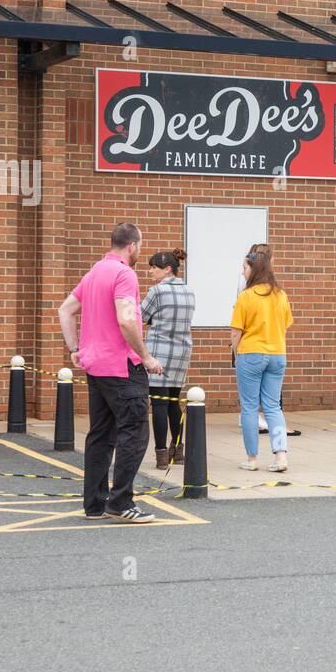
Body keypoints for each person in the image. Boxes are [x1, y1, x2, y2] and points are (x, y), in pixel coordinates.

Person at [58, 222, 163, 523]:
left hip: (96, 367)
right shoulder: (124, 274)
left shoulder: (94, 272)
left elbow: (65, 310)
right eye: (140, 247)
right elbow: (127, 320)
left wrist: (74, 349)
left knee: (101, 435)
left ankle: (94, 504)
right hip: (122, 367)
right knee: (135, 433)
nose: (139, 251)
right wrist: (145, 356)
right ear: (132, 246)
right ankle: (120, 502)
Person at [230, 246, 293, 471]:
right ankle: (280, 457)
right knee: (273, 407)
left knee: (249, 407)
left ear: (254, 270)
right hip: (277, 353)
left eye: (245, 267)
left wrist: (236, 354)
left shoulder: (246, 297)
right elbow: (285, 324)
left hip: (251, 353)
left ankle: (252, 459)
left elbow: (237, 331)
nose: (242, 272)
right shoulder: (281, 295)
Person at [141, 248, 195, 469]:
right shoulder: (189, 291)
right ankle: (178, 451)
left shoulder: (157, 292)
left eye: (154, 267)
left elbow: (141, 316)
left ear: (167, 269)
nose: (151, 271)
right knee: (174, 401)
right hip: (182, 351)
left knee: (159, 404)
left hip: (159, 352)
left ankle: (161, 455)